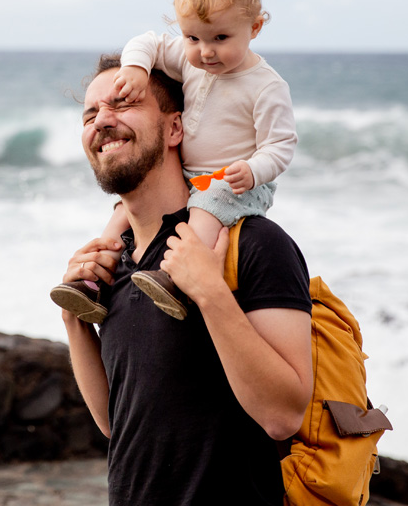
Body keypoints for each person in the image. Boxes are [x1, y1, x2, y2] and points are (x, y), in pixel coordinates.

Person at [59, 54, 313, 504]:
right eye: (90, 114)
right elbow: (117, 424)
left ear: (175, 128)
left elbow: (283, 415)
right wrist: (74, 322)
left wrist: (210, 293)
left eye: (123, 103)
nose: (102, 121)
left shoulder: (253, 243)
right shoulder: (115, 265)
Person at [50, 0, 297, 321]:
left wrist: (253, 170)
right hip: (192, 174)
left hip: (235, 182)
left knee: (207, 205)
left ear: (255, 27)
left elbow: (281, 144)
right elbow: (146, 42)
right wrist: (135, 69)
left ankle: (176, 281)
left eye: (220, 38)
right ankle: (95, 280)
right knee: (123, 211)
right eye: (192, 37)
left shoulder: (266, 86)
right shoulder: (189, 59)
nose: (206, 51)